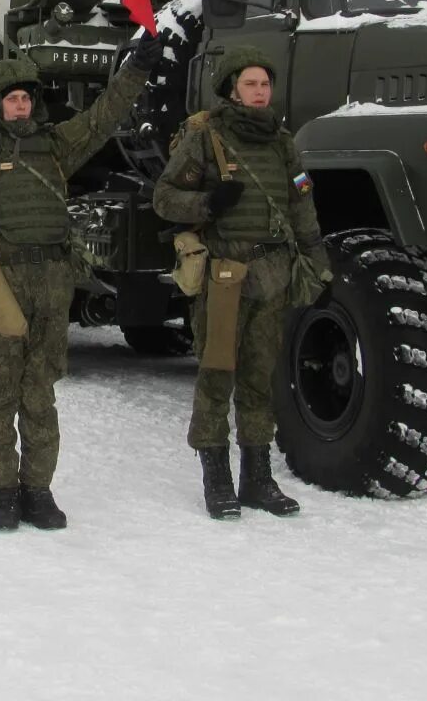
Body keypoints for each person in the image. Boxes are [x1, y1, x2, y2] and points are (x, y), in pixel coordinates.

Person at [0, 12, 164, 531]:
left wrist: (137, 67)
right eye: (11, 99)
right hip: (0, 287)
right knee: (1, 389)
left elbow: (103, 117)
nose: (21, 105)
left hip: (50, 285)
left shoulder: (56, 146)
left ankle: (39, 489)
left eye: (27, 97)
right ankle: (3, 489)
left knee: (41, 392)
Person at [153, 45, 332, 520]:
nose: (259, 92)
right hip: (224, 276)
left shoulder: (281, 141)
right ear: (233, 88)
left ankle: (258, 478)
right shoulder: (205, 136)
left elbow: (301, 205)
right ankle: (218, 481)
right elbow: (164, 198)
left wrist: (318, 261)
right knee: (216, 377)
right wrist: (209, 204)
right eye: (250, 83)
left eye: (265, 84)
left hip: (272, 275)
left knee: (260, 380)